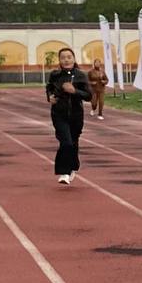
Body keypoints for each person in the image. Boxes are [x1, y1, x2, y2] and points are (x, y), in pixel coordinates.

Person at [44, 46, 89, 184]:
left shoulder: (81, 76)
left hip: (76, 115)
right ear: (59, 60)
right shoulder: (55, 75)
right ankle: (64, 172)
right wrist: (50, 97)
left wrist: (74, 91)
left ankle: (73, 167)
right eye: (63, 58)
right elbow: (49, 88)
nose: (66, 60)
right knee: (66, 142)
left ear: (74, 59)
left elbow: (88, 95)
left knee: (73, 142)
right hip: (59, 114)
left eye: (69, 57)